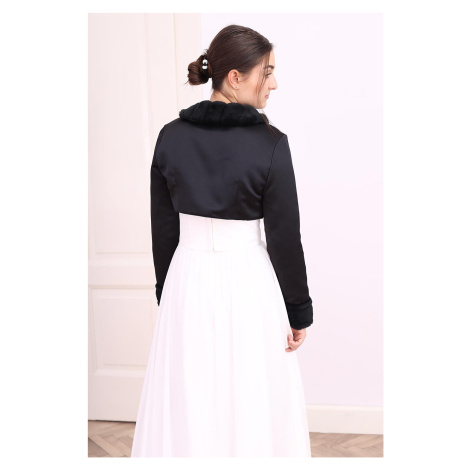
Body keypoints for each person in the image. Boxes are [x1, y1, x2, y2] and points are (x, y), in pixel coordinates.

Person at [131, 24, 313, 458]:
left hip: (186, 279)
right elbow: (284, 236)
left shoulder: (170, 136)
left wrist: (166, 291)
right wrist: (298, 311)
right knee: (250, 392)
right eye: (267, 72)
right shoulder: (271, 143)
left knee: (190, 393)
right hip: (249, 281)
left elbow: (163, 228)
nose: (273, 83)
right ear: (235, 76)